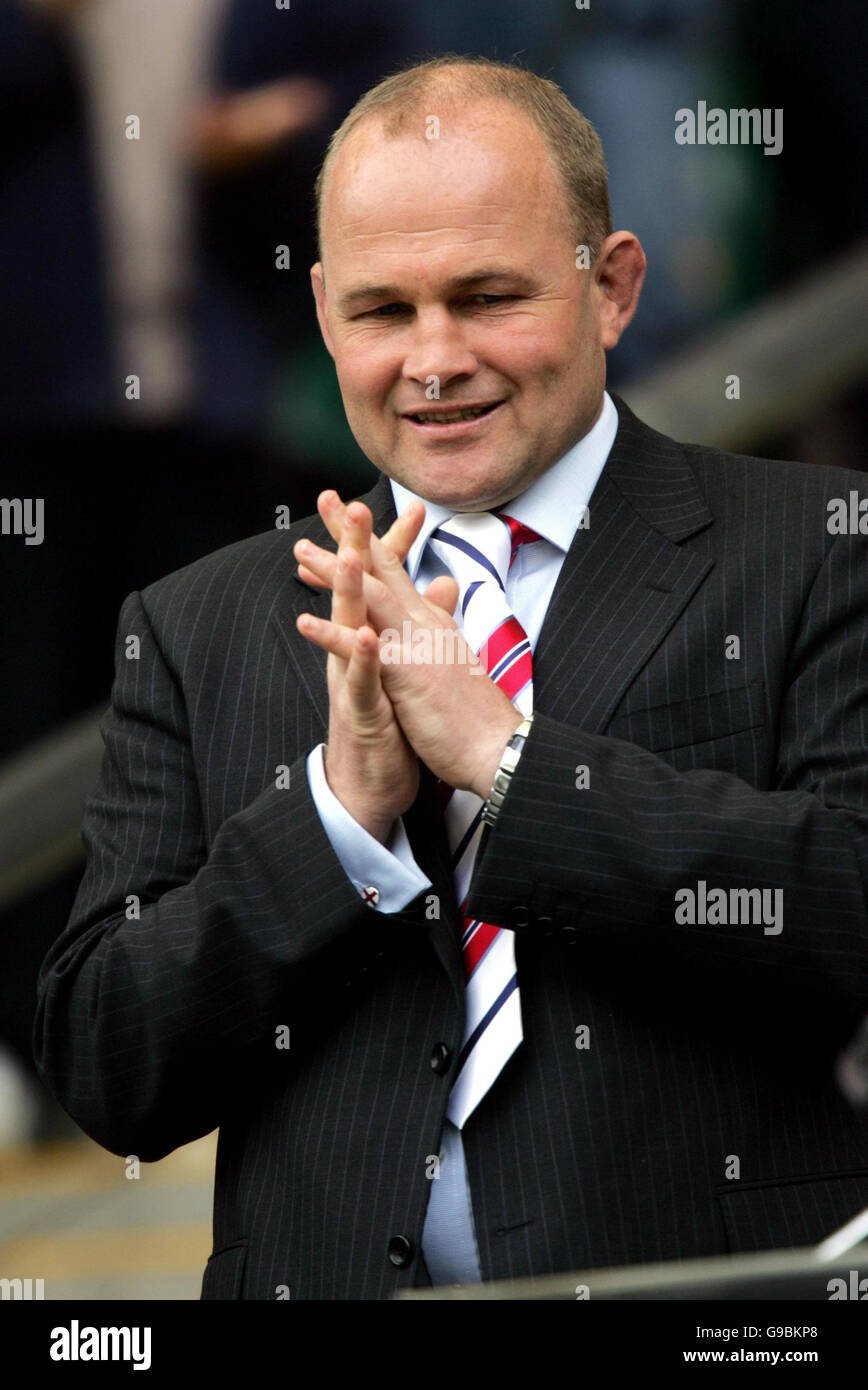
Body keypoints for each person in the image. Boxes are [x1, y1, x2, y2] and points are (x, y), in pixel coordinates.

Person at [34, 56, 868, 1300]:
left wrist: (512, 763)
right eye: (383, 311)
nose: (434, 359)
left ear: (614, 287)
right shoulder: (196, 620)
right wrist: (334, 820)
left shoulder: (818, 541)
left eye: (487, 297)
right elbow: (112, 1068)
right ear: (322, 311)